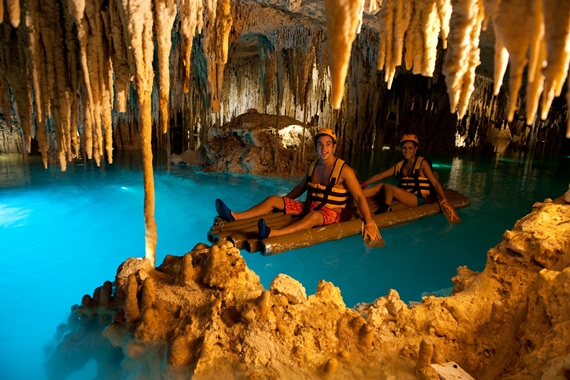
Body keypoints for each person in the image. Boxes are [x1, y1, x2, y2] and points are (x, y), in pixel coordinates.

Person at [215, 128, 381, 242]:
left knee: (314, 217)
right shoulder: (313, 166)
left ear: (334, 147)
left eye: (328, 144)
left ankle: (274, 233)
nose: (324, 149)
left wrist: (368, 223)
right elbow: (300, 188)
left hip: (331, 214)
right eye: (320, 145)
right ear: (316, 147)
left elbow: (359, 196)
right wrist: (283, 204)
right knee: (273, 199)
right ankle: (235, 216)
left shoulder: (344, 170)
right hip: (309, 206)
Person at [360, 133, 459, 221]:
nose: (407, 151)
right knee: (380, 186)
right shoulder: (400, 165)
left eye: (410, 148)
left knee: (388, 187)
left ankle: (386, 209)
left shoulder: (422, 163)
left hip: (418, 199)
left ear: (415, 149)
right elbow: (380, 175)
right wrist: (364, 183)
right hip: (405, 194)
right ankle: (355, 195)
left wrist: (444, 200)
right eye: (404, 148)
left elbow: (435, 183)